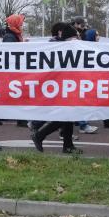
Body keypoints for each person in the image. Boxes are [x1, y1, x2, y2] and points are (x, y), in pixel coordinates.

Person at [31, 24, 81, 154]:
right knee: (66, 116)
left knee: (69, 116)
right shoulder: (58, 49)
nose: (76, 41)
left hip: (66, 85)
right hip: (58, 86)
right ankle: (40, 134)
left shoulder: (66, 48)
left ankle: (68, 145)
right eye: (74, 38)